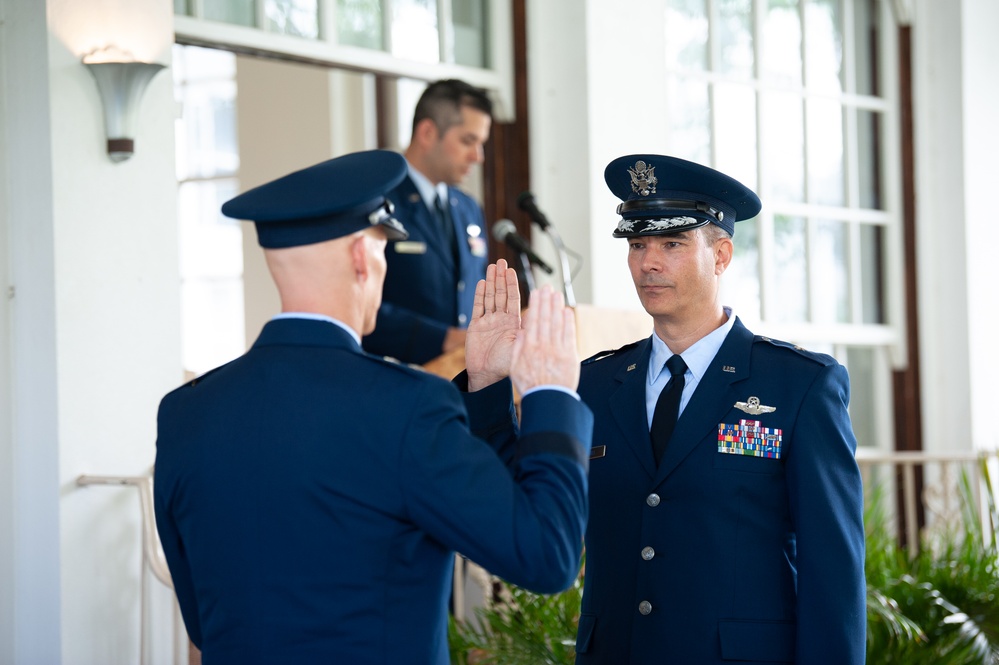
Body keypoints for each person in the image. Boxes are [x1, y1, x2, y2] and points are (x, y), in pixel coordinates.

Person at [153, 149, 593, 665]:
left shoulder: (185, 412)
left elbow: (205, 623)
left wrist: (486, 384)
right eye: (385, 250)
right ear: (363, 256)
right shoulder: (407, 407)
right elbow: (546, 554)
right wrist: (550, 392)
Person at [465, 154, 867, 664]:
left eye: (671, 244)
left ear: (721, 255)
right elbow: (514, 503)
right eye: (637, 245)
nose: (647, 263)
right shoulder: (592, 383)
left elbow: (832, 572)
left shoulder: (798, 387)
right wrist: (488, 381)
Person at [362, 79, 493, 365]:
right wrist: (442, 338)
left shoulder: (468, 208)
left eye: (481, 144)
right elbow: (357, 303)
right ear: (427, 132)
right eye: (468, 141)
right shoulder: (375, 201)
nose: (478, 157)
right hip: (400, 380)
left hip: (463, 380)